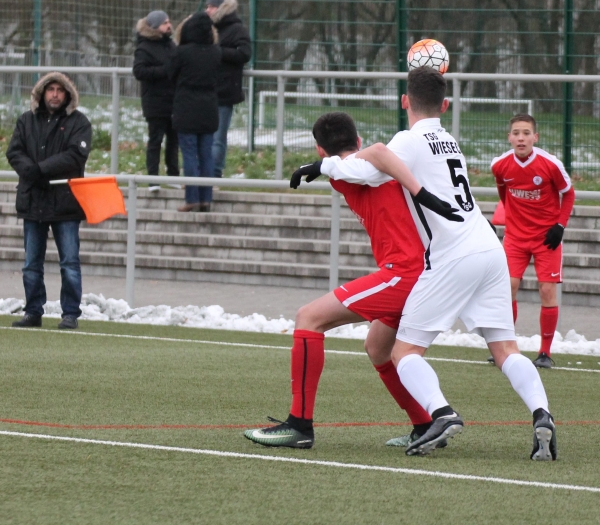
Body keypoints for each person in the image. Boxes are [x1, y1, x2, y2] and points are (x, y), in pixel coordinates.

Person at [295, 66, 556, 460]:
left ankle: (441, 413)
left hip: (453, 255)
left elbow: (370, 162)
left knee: (404, 353)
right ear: (445, 105)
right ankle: (542, 415)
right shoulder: (450, 141)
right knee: (506, 349)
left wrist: (323, 165)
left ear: (405, 101)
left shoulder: (408, 140)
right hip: (490, 247)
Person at [244, 111, 462, 450]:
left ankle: (299, 425)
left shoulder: (349, 172)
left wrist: (322, 166)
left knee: (308, 318)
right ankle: (423, 425)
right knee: (378, 349)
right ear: (357, 140)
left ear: (320, 150)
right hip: (426, 272)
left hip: (405, 274)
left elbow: (355, 162)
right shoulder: (388, 166)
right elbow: (373, 159)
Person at [6, 72, 92, 330]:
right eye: (50, 89)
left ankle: (70, 314)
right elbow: (14, 151)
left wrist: (40, 169)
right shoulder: (26, 120)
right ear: (42, 93)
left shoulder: (79, 122)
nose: (55, 94)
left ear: (68, 94)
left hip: (66, 203)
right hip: (34, 201)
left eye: (60, 90)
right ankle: (33, 312)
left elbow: (75, 155)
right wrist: (31, 171)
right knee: (31, 264)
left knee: (69, 263)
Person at [490, 114, 574, 369]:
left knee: (547, 290)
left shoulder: (550, 164)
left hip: (546, 238)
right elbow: (504, 194)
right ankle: (505, 348)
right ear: (509, 138)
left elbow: (568, 194)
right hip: (515, 238)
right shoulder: (500, 165)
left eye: (526, 133)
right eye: (516, 133)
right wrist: (513, 221)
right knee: (508, 287)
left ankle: (545, 352)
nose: (521, 138)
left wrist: (559, 226)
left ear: (535, 137)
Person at [168, 12, 220, 212]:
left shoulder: (182, 52)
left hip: (186, 107)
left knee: (189, 154)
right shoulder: (216, 52)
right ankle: (206, 199)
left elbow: (171, 74)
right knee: (206, 155)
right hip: (209, 108)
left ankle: (192, 198)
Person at [205, 0, 252, 179]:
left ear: (221, 8)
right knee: (204, 136)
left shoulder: (237, 29)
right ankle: (202, 173)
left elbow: (244, 53)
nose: (207, 10)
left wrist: (218, 52)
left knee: (218, 137)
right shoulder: (205, 28)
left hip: (224, 91)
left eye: (211, 6)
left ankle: (214, 173)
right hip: (205, 90)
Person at [132, 10, 179, 191]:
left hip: (173, 101)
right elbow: (139, 71)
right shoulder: (144, 47)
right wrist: (164, 71)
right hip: (155, 102)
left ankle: (173, 176)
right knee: (155, 141)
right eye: (165, 23)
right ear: (155, 26)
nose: (169, 25)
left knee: (173, 140)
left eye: (168, 22)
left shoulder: (171, 45)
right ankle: (153, 179)